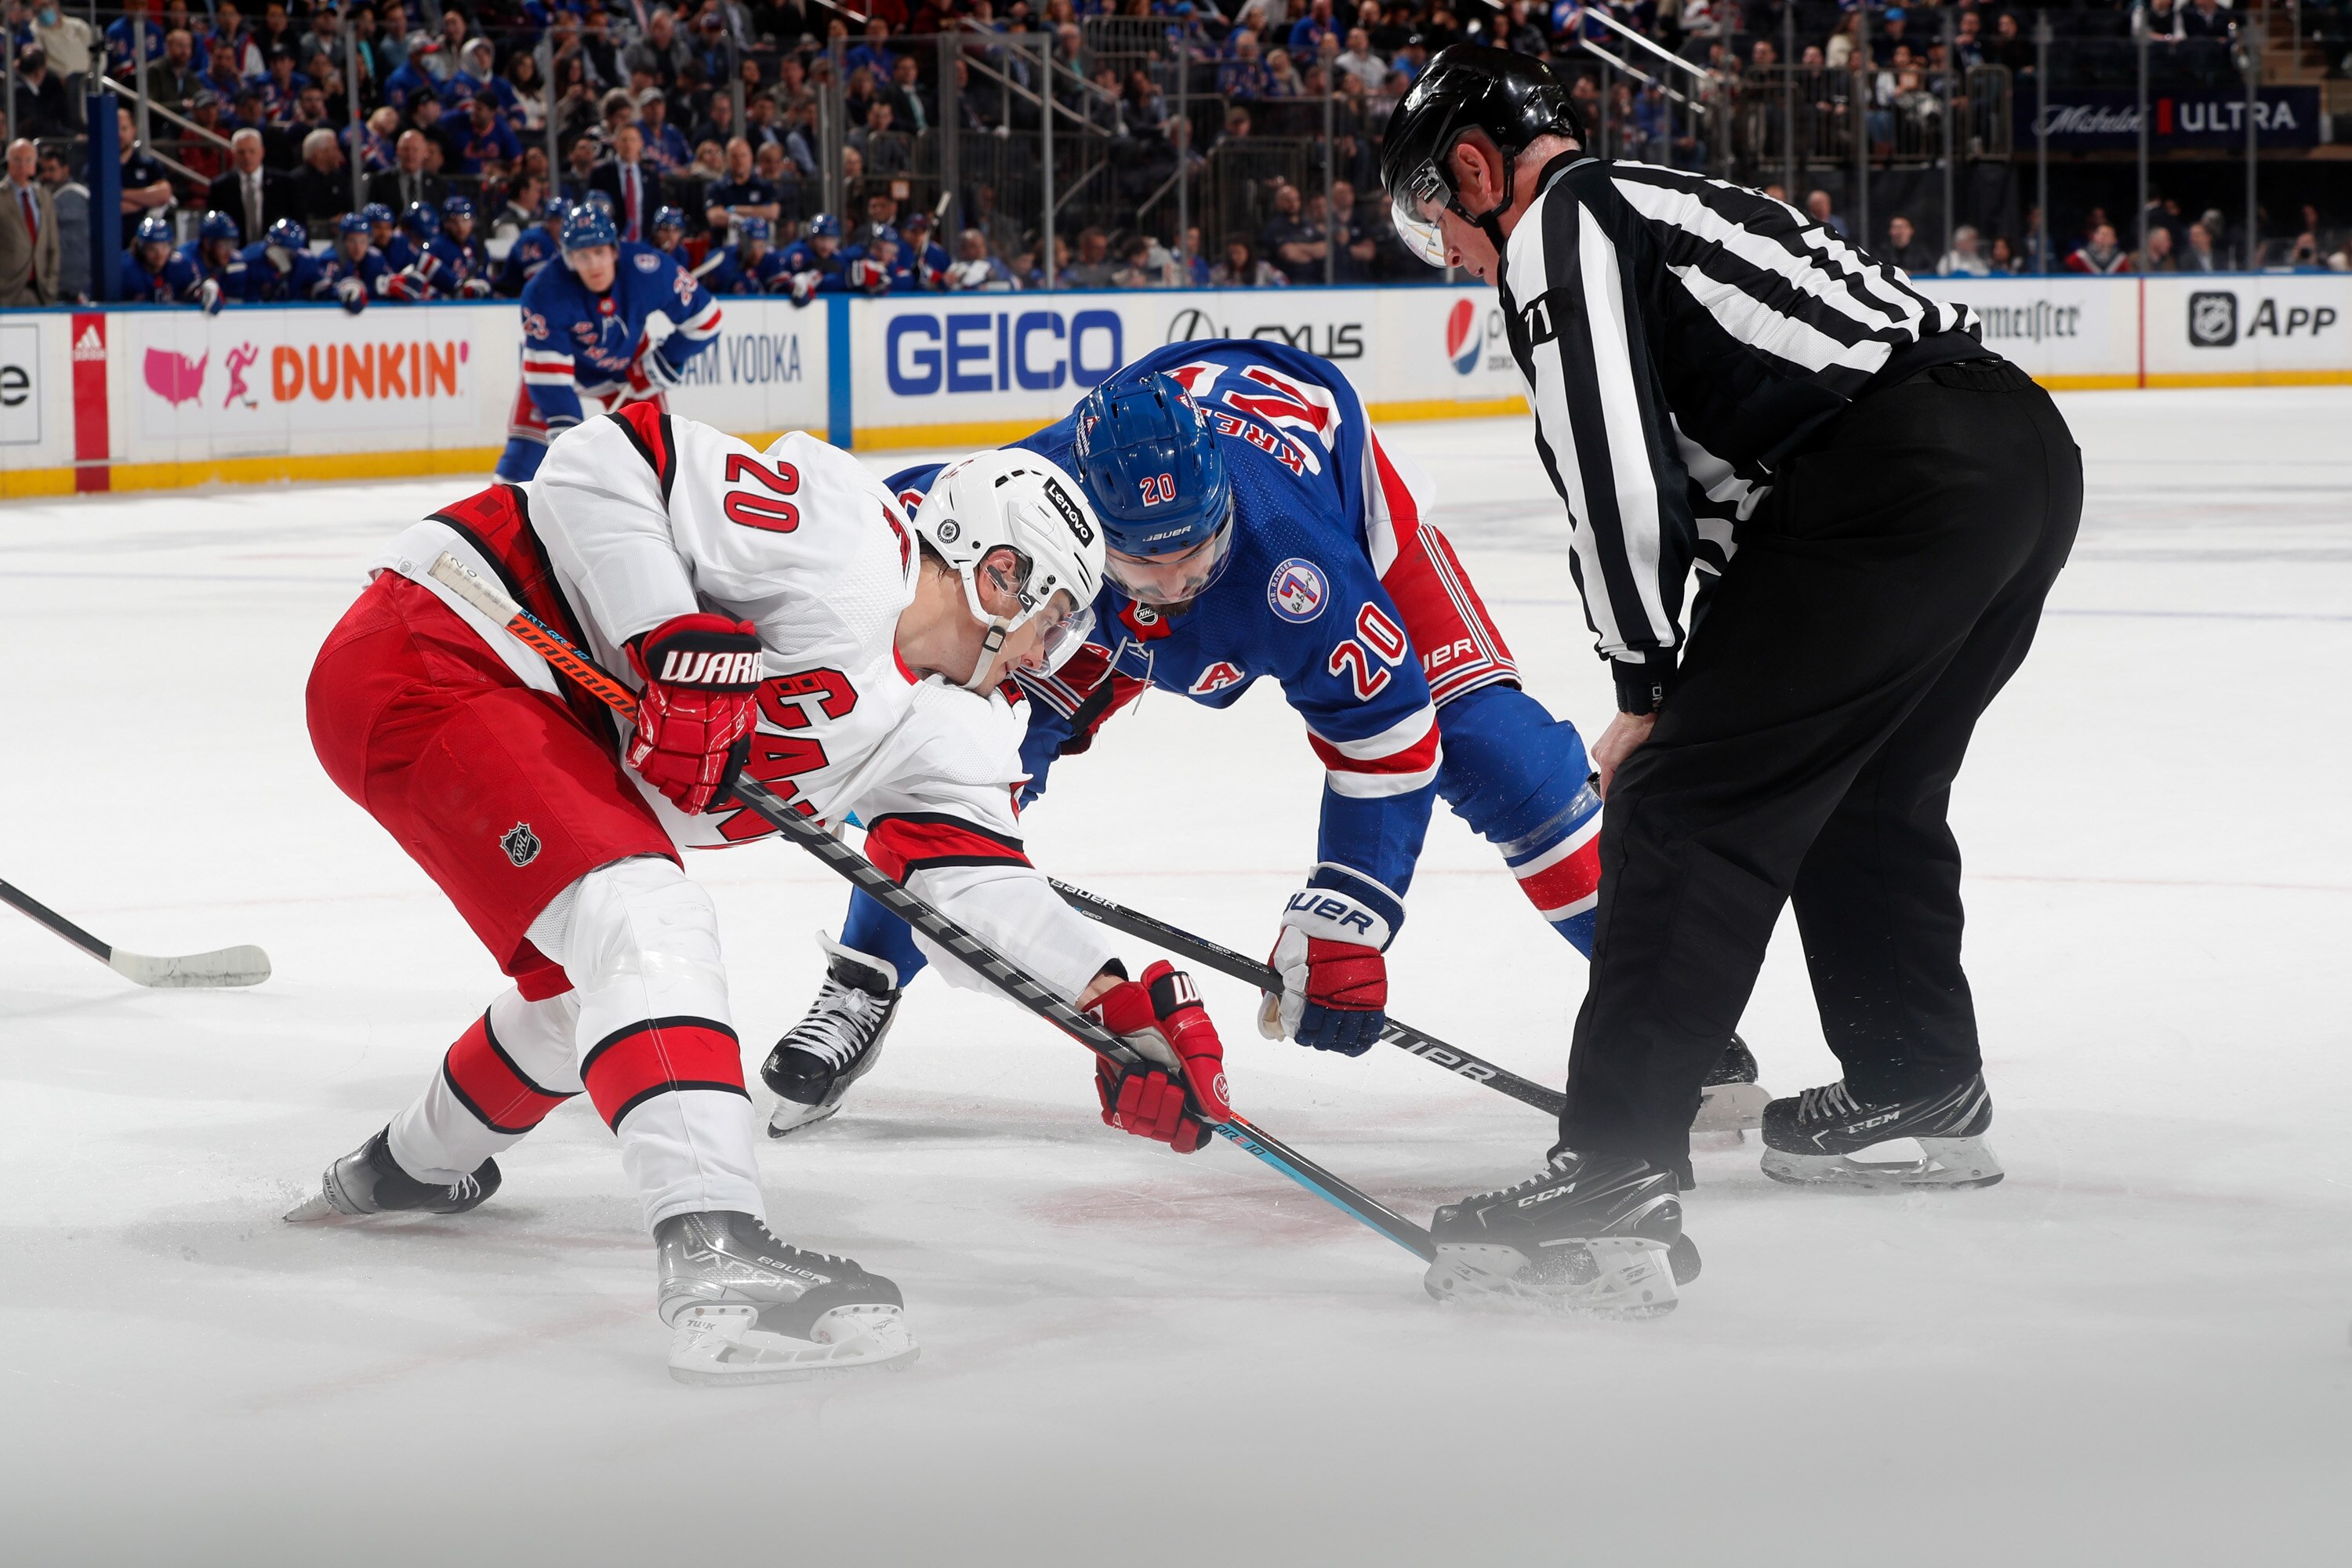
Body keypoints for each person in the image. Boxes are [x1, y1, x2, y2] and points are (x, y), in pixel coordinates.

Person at [291, 401, 1236, 1381]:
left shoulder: (953, 724)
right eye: (1051, 618)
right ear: (1001, 573)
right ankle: (718, 1257)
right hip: (447, 643)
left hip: (539, 725)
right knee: (644, 919)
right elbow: (601, 456)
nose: (1047, 654)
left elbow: (972, 891)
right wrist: (665, 632)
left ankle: (402, 1169)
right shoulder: (846, 543)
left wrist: (1111, 1003)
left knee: (591, 998)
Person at [1380, 46, 2080, 1310]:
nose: (1454, 259)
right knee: (1863, 794)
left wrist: (1649, 691)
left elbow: (1616, 473)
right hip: (2014, 462)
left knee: (1688, 805)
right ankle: (1918, 1081)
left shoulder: (1562, 224)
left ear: (1475, 172)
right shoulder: (1648, 206)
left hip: (1897, 477)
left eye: (1439, 222)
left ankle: (1611, 1176)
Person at [777, 343, 1769, 1138]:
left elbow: (1386, 733)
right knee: (959, 768)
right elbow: (892, 546)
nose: (1173, 585)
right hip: (1086, 608)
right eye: (1146, 562)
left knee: (1505, 759)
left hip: (1334, 514)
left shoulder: (1295, 553)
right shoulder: (1035, 498)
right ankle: (864, 977)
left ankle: (1671, 1009)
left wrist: (1350, 910)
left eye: (1193, 551)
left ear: (1222, 507)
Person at [497, 204, 723, 482]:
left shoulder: (648, 271)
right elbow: (548, 374)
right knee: (521, 463)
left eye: (599, 252)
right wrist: (565, 427)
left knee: (657, 462)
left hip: (629, 368)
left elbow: (707, 320)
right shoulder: (544, 291)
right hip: (564, 372)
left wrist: (667, 358)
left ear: (614, 250)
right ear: (569, 259)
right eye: (582, 256)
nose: (593, 265)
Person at [0, 138, 60, 307]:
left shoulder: (44, 197)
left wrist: (51, 284)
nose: (22, 165)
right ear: (8, 163)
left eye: (28, 160)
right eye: (17, 160)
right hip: (6, 292)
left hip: (41, 292)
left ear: (35, 165)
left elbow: (52, 246)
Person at [34, 145, 92, 303]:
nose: (46, 175)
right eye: (42, 170)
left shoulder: (74, 195)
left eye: (52, 169)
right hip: (55, 286)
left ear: (65, 170)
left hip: (75, 287)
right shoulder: (42, 197)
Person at [223, 216, 325, 303]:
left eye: (289, 253)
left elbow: (324, 289)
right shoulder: (248, 259)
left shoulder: (306, 262)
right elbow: (233, 299)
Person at [312, 209, 390, 311]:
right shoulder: (330, 259)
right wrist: (341, 291)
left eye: (363, 241)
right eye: (352, 241)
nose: (358, 248)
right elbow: (319, 291)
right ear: (343, 241)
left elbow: (388, 281)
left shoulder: (376, 258)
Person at [119, 211, 204, 303]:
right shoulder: (125, 268)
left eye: (164, 247)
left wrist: (205, 288)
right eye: (152, 249)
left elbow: (197, 289)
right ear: (141, 248)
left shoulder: (180, 264)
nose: (160, 254)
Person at [692, 211, 786, 293]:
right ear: (741, 242)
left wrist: (795, 286)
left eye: (761, 246)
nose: (757, 252)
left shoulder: (771, 259)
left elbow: (784, 286)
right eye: (752, 246)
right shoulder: (719, 260)